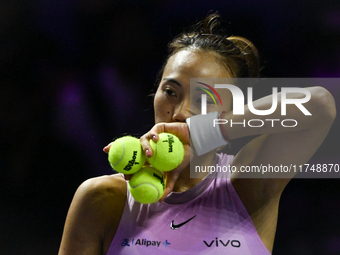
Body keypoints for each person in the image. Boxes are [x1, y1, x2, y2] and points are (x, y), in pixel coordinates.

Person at [58, 13, 336, 255]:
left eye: (205, 99)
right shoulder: (103, 197)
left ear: (232, 112)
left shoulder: (247, 184)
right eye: (170, 92)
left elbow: (321, 104)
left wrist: (204, 133)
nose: (181, 112)